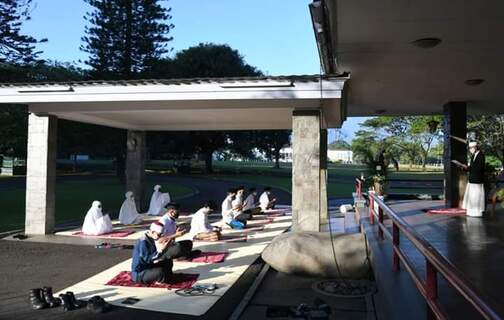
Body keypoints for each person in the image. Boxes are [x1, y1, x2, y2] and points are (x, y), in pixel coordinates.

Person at [461, 142, 486, 217]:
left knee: (476, 197)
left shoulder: (481, 156)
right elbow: (472, 167)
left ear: (475, 147)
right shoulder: (473, 156)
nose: (470, 150)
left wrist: (468, 168)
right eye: (469, 148)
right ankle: (471, 212)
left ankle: (477, 212)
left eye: (471, 148)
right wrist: (464, 168)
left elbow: (479, 168)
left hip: (477, 180)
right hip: (472, 179)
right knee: (471, 197)